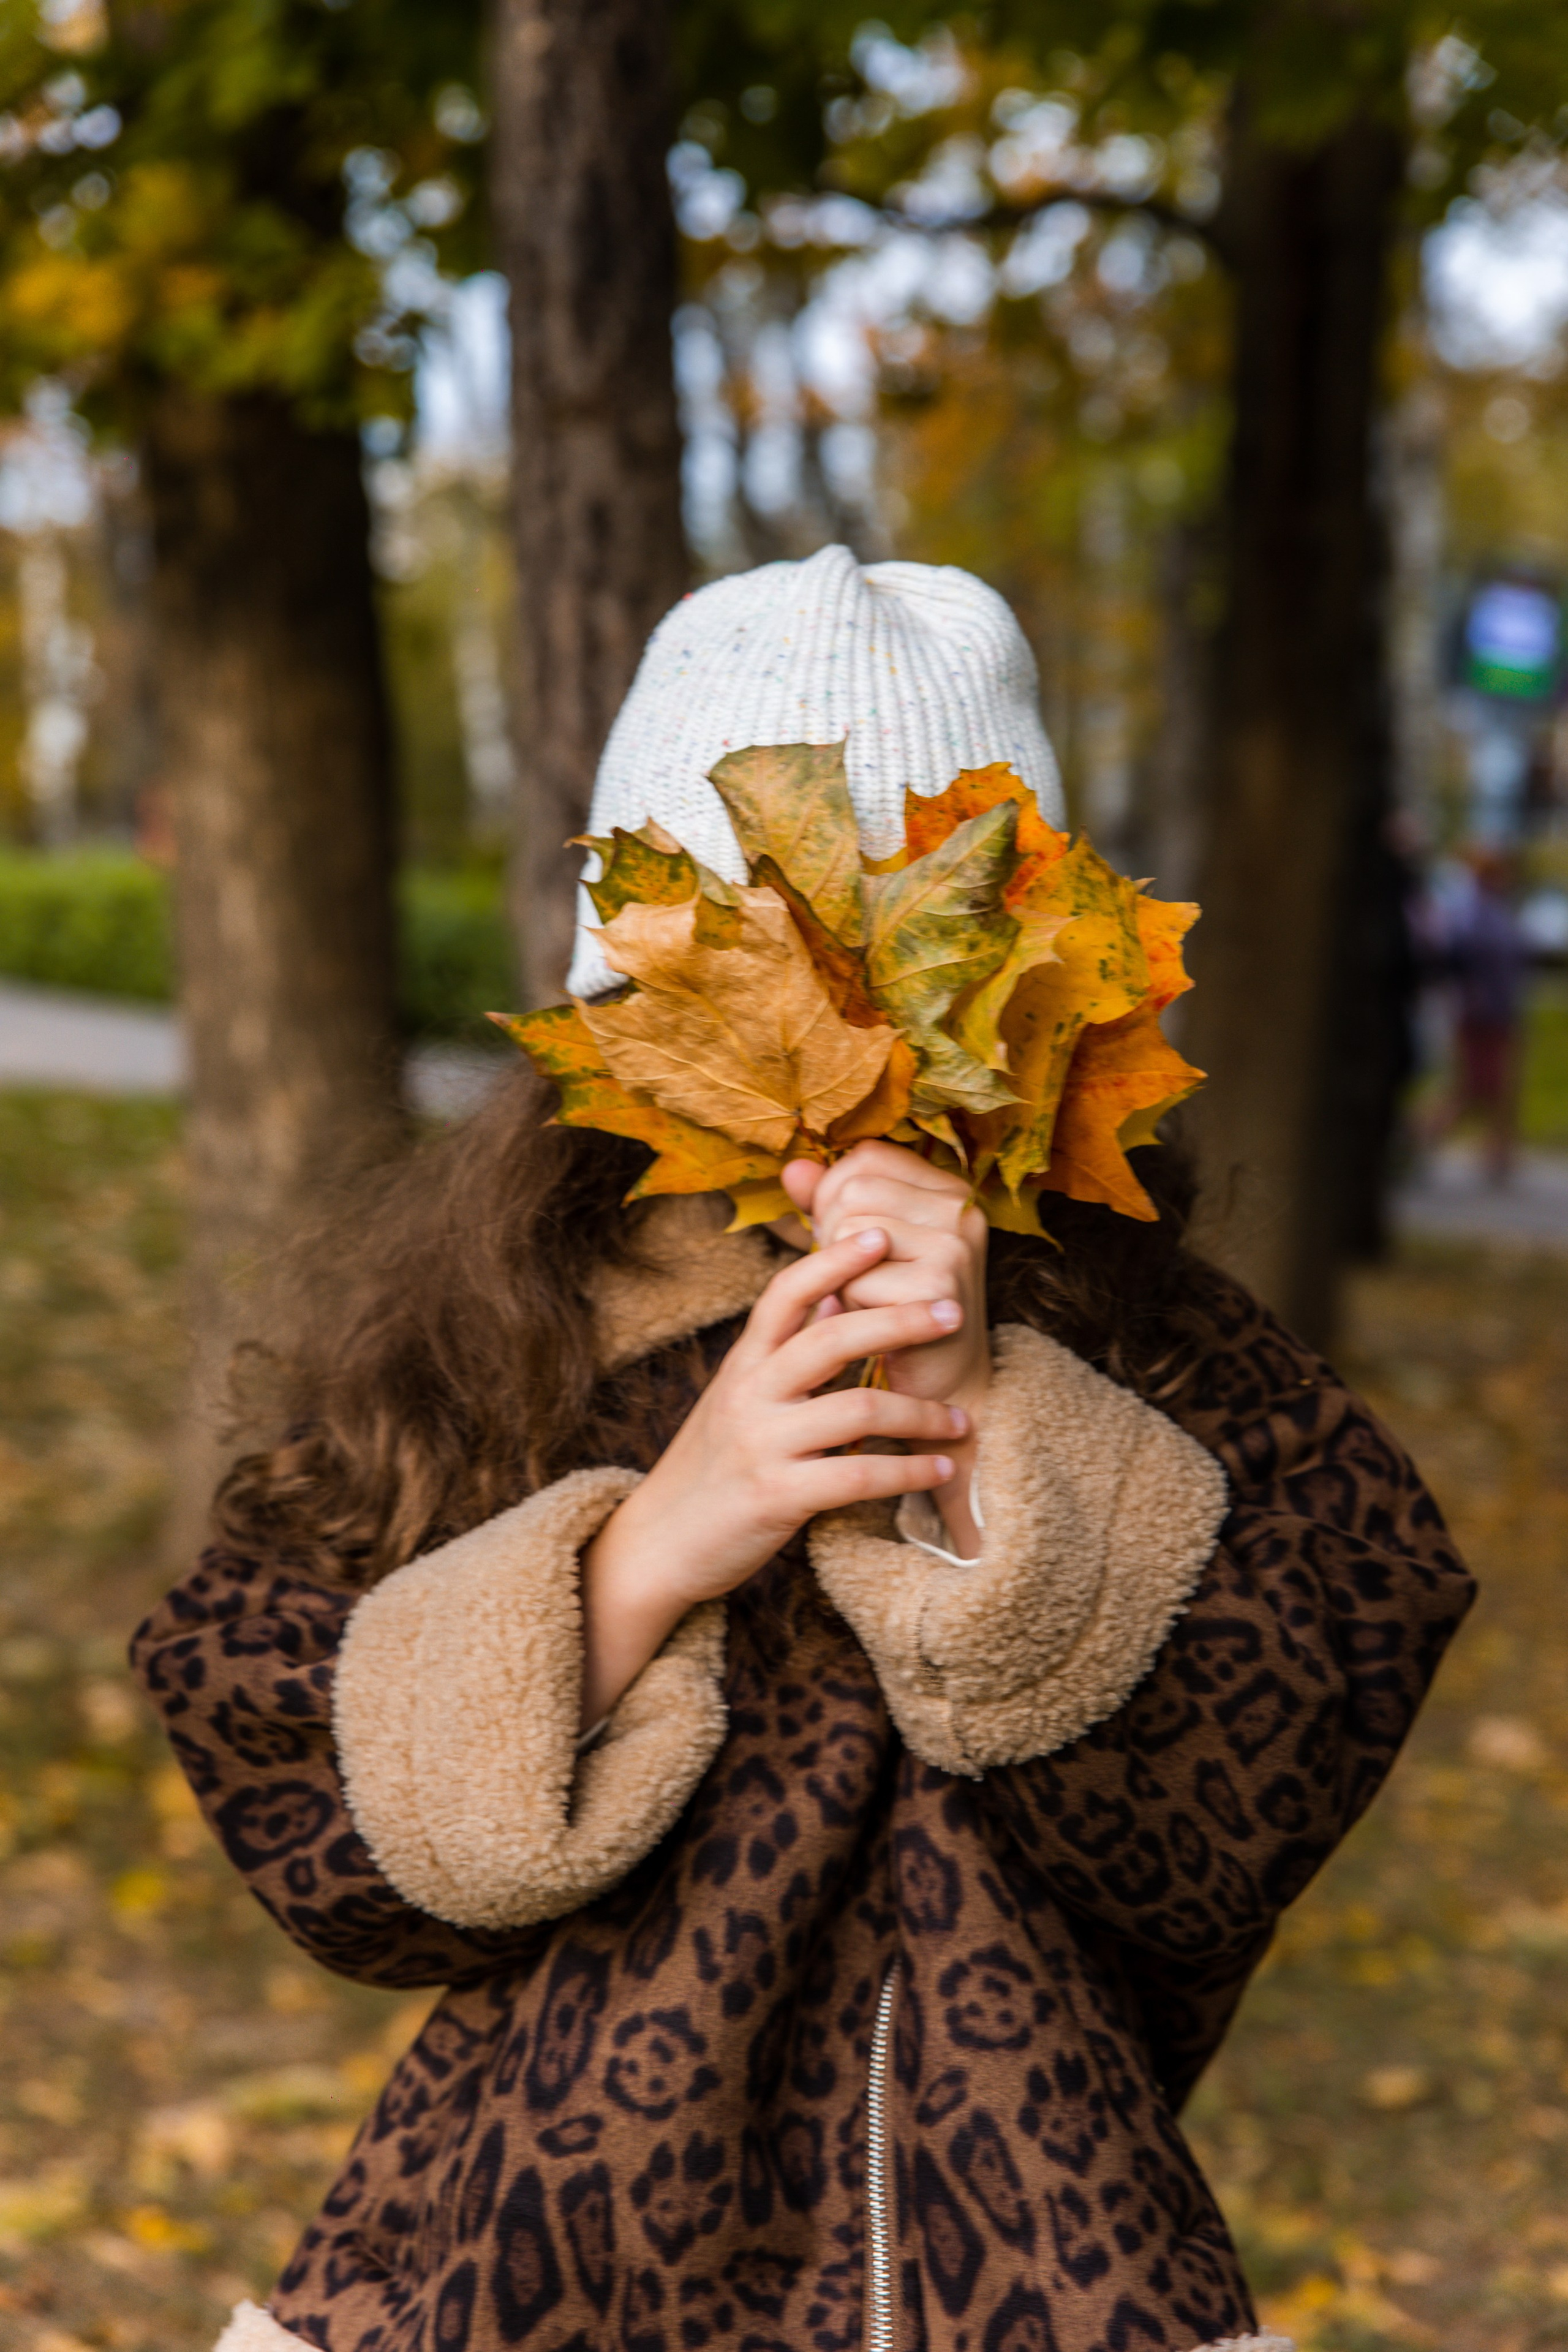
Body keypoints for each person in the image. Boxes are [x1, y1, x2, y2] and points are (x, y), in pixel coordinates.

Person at [134, 546, 1474, 2352]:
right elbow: (293, 1768)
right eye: (754, 996)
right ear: (629, 998)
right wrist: (641, 1560)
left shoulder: (1144, 1355)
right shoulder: (505, 1333)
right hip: (539, 2256)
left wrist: (980, 1430)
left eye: (907, 1003)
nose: (837, 1071)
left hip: (1033, 2250)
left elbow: (1248, 1796)